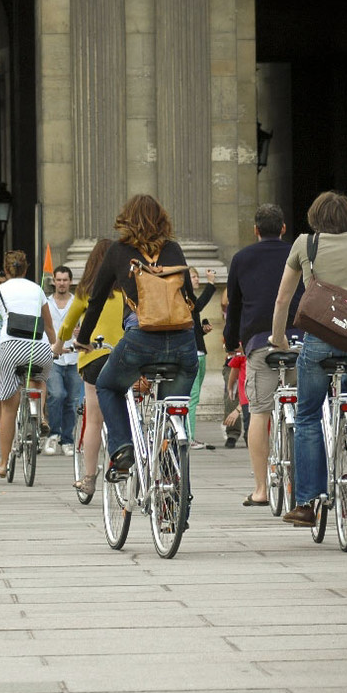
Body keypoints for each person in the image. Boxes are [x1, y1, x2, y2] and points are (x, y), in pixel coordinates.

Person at [270, 190, 347, 526]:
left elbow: (282, 300)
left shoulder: (305, 243)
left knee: (306, 417)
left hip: (318, 340)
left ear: (315, 217)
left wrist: (278, 339)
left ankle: (307, 502)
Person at [76, 194, 198, 475]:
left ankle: (122, 447)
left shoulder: (118, 251)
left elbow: (95, 300)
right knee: (172, 412)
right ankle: (172, 497)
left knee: (107, 385)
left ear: (126, 219)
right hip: (182, 342)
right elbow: (188, 298)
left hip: (140, 340)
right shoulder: (174, 249)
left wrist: (83, 339)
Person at [224, 204, 303, 508]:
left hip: (260, 343)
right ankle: (303, 483)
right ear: (283, 228)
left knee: (259, 411)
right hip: (298, 338)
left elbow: (235, 308)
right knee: (305, 410)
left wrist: (233, 342)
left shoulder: (242, 258)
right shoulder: (295, 253)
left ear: (256, 230)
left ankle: (261, 488)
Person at [52, 239, 121, 496]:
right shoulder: (127, 288)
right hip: (125, 357)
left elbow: (68, 324)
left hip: (94, 358)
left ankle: (89, 479)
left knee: (93, 419)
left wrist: (59, 346)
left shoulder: (85, 290)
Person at [0, 250, 56, 478]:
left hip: (10, 347)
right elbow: (49, 327)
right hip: (39, 347)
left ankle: (3, 463)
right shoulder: (38, 290)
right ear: (26, 268)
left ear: (7, 268)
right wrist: (55, 347)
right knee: (40, 379)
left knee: (8, 408)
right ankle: (40, 414)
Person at [44, 265, 82, 457]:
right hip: (54, 357)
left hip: (74, 357)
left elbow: (86, 327)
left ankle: (67, 439)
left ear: (70, 282)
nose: (61, 283)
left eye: (65, 280)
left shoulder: (77, 303)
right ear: (53, 281)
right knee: (56, 395)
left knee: (72, 401)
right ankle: (53, 433)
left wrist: (81, 332)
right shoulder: (46, 303)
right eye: (58, 280)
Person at [187, 267, 216, 448]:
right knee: (192, 397)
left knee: (194, 397)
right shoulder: (187, 300)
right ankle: (189, 437)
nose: (197, 279)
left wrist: (202, 330)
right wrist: (211, 284)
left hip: (199, 352)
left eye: (198, 276)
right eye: (194, 277)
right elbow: (198, 306)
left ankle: (190, 435)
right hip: (194, 355)